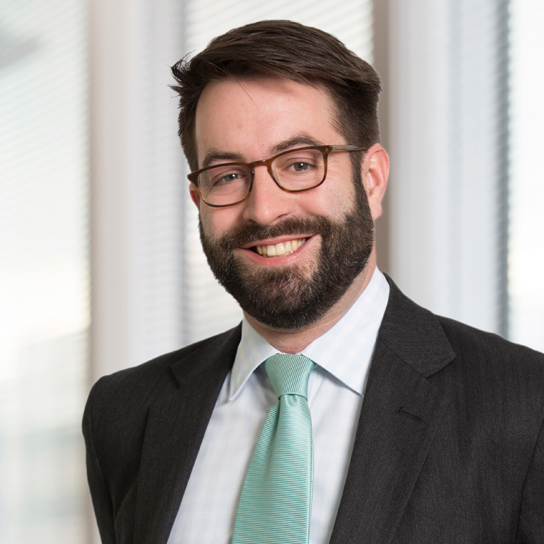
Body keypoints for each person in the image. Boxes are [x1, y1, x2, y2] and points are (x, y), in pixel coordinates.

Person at [83, 20, 544, 544]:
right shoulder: (125, 413)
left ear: (371, 180)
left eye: (300, 165)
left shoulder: (525, 407)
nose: (264, 209)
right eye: (228, 176)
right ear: (199, 200)